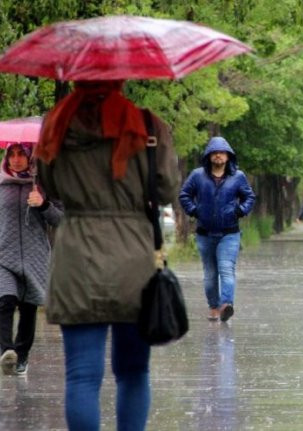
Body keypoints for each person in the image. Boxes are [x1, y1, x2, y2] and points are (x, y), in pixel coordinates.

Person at [35, 80, 180, 431]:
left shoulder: (56, 124)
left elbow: (49, 187)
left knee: (82, 376)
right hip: (133, 256)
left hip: (76, 255)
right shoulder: (147, 125)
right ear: (121, 79)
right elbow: (167, 188)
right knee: (133, 371)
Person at [0, 143, 63, 376]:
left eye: (21, 155)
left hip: (34, 256)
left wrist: (43, 204)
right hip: (4, 255)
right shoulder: (1, 183)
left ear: (30, 157)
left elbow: (61, 220)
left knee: (28, 308)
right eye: (12, 155)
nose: (16, 160)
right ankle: (6, 350)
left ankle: (21, 355)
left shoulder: (43, 185)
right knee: (4, 300)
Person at [180, 137, 256, 322]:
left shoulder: (238, 176)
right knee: (210, 274)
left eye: (222, 152)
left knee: (226, 269)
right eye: (215, 152)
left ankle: (226, 305)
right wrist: (194, 210)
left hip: (229, 233)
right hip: (204, 233)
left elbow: (249, 197)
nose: (218, 155)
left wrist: (240, 210)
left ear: (228, 156)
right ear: (209, 156)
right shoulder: (197, 175)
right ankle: (213, 307)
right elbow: (184, 195)